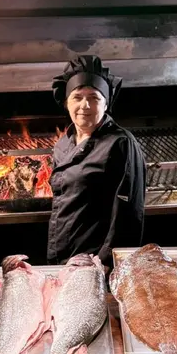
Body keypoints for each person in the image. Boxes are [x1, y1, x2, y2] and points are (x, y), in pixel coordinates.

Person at [47, 55, 146, 269]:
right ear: (66, 102)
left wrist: (105, 263)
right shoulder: (64, 143)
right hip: (64, 255)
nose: (85, 105)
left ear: (106, 103)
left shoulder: (121, 144)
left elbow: (129, 216)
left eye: (94, 97)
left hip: (96, 262)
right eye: (77, 97)